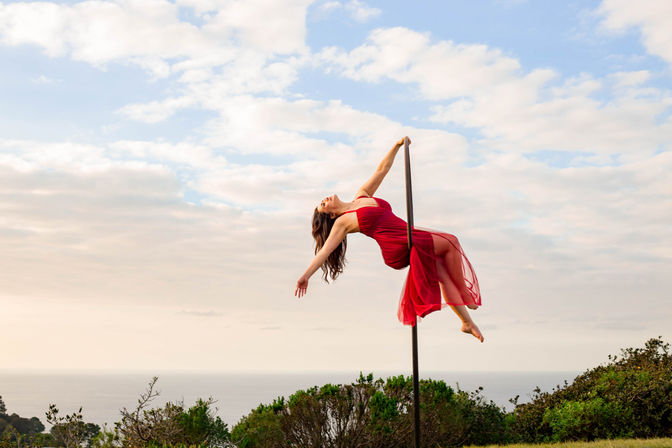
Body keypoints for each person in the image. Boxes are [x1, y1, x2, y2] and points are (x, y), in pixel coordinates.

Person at [295, 137, 484, 342]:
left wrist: (396, 146)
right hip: (395, 246)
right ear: (331, 216)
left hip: (407, 234)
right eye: (323, 205)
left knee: (442, 272)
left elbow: (381, 170)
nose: (324, 200)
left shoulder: (362, 196)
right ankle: (465, 292)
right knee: (450, 241)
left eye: (321, 201)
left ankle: (466, 322)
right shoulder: (343, 223)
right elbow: (325, 251)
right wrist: (305, 276)